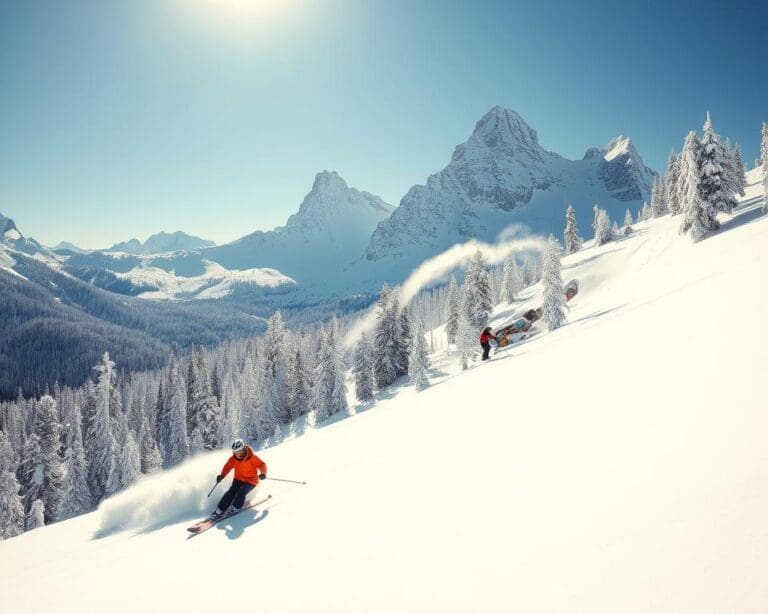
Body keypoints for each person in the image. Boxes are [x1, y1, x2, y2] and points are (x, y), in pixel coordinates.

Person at [209, 438, 268, 520]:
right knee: (231, 491)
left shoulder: (251, 457)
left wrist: (263, 473)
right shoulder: (233, 459)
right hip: (239, 478)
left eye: (239, 451)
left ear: (243, 449)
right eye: (235, 452)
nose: (237, 454)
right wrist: (222, 476)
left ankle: (236, 507)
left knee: (241, 492)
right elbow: (227, 467)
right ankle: (220, 510)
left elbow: (262, 465)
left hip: (251, 480)